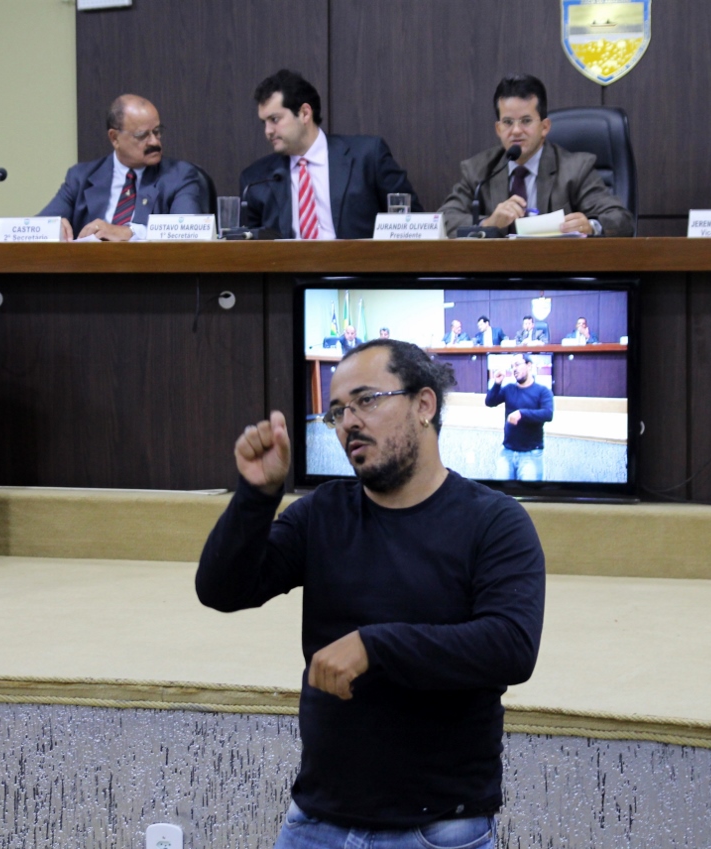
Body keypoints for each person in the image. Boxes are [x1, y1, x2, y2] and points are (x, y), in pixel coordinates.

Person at [196, 339, 545, 847]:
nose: (349, 423)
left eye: (366, 401)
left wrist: (374, 646)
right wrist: (256, 495)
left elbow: (510, 646)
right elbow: (222, 590)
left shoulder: (494, 521)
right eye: (338, 412)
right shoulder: (322, 513)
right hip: (316, 819)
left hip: (439, 829)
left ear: (424, 405)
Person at [439, 74, 634, 239]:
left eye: (526, 121)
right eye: (508, 122)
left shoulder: (575, 169)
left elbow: (621, 220)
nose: (516, 131)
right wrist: (488, 223)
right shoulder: (479, 170)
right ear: (498, 129)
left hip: (558, 268)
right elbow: (444, 219)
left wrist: (591, 226)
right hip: (498, 269)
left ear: (545, 127)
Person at [239, 70, 421, 240]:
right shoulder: (255, 180)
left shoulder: (367, 156)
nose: (268, 131)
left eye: (275, 120)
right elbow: (247, 248)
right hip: (289, 265)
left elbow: (414, 225)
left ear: (304, 114)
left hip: (357, 263)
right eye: (264, 122)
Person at [40, 94, 208, 242]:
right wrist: (52, 227)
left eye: (157, 131)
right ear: (114, 138)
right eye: (142, 135)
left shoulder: (179, 175)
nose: (154, 142)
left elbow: (190, 233)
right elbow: (35, 229)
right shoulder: (80, 177)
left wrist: (130, 232)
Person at [485, 353, 554, 481]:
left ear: (529, 365)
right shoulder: (509, 389)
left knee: (529, 492)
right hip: (507, 452)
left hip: (531, 454)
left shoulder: (542, 391)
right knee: (502, 492)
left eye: (517, 365)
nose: (514, 369)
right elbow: (490, 402)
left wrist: (521, 414)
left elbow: (547, 414)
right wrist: (497, 383)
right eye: (512, 366)